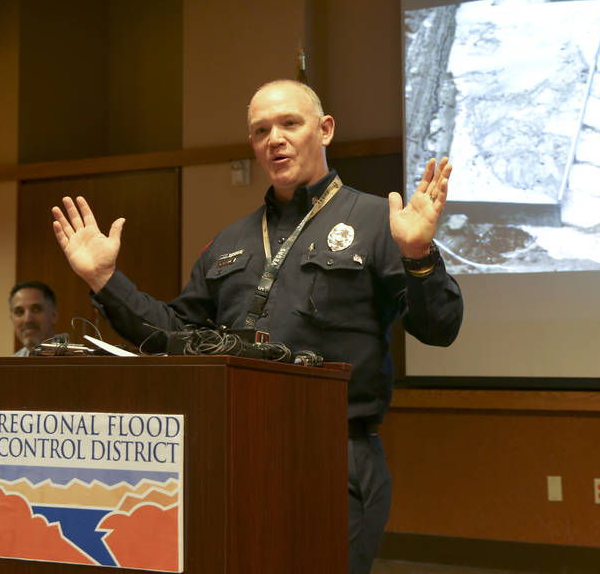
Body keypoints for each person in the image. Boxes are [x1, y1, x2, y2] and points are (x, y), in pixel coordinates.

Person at [50, 79, 464, 574]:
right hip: (234, 454)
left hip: (333, 455)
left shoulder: (379, 221)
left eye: (290, 123)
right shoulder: (232, 240)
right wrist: (104, 280)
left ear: (325, 130)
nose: (275, 138)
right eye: (261, 129)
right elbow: (174, 337)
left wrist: (418, 256)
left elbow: (439, 328)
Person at [9, 280, 59, 357]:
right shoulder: (9, 366)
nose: (27, 319)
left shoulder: (77, 362)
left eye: (36, 310)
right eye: (20, 312)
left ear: (53, 316)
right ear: (12, 319)